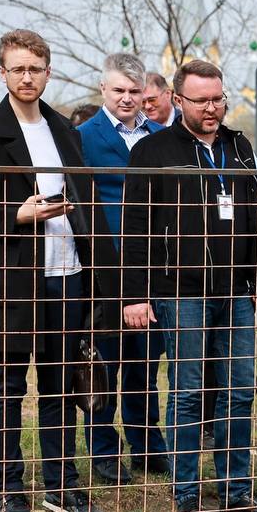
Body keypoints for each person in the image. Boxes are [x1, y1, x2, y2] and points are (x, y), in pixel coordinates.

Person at [0, 29, 119, 512]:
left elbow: (87, 207)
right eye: (17, 68)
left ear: (48, 71)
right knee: (8, 384)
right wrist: (14, 215)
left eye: (35, 68)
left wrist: (104, 277)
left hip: (68, 274)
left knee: (62, 386)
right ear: (3, 73)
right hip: (13, 281)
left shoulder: (66, 130)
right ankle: (8, 489)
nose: (27, 76)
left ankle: (62, 486)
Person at [121, 59, 257, 512]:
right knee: (188, 392)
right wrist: (135, 293)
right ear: (179, 99)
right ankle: (186, 496)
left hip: (234, 291)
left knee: (239, 391)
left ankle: (236, 493)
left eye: (218, 99)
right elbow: (134, 228)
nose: (212, 108)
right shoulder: (154, 150)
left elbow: (254, 212)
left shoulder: (239, 146)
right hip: (180, 291)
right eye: (201, 100)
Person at [77, 53, 171, 485]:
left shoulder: (159, 138)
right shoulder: (82, 138)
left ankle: (147, 445)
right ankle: (102, 450)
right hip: (102, 269)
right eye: (119, 90)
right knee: (103, 363)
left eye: (136, 91)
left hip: (152, 268)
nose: (128, 98)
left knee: (144, 363)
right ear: (104, 90)